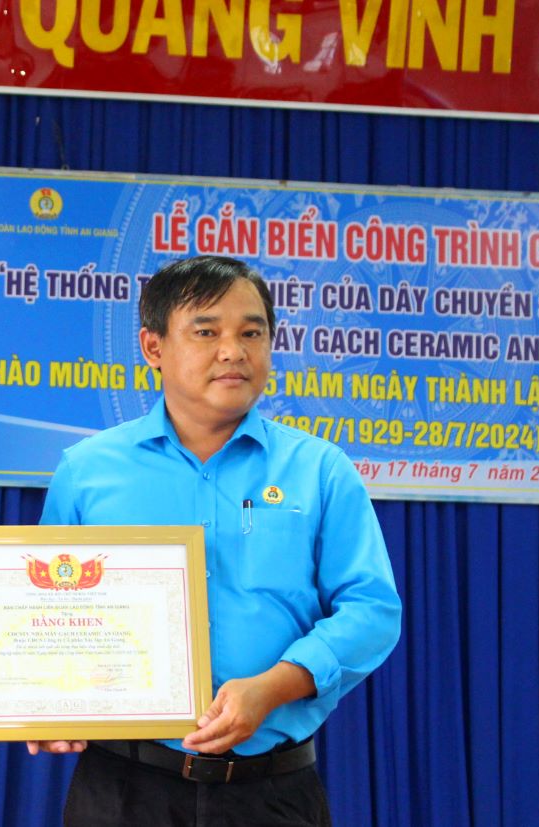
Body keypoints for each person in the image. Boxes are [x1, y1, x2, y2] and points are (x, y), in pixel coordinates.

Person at [31, 255, 402, 826]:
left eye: (252, 332)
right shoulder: (87, 471)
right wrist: (44, 703)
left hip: (272, 791)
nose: (233, 350)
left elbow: (372, 610)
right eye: (206, 331)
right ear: (153, 348)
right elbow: (47, 614)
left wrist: (277, 685)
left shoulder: (320, 469)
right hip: (124, 790)